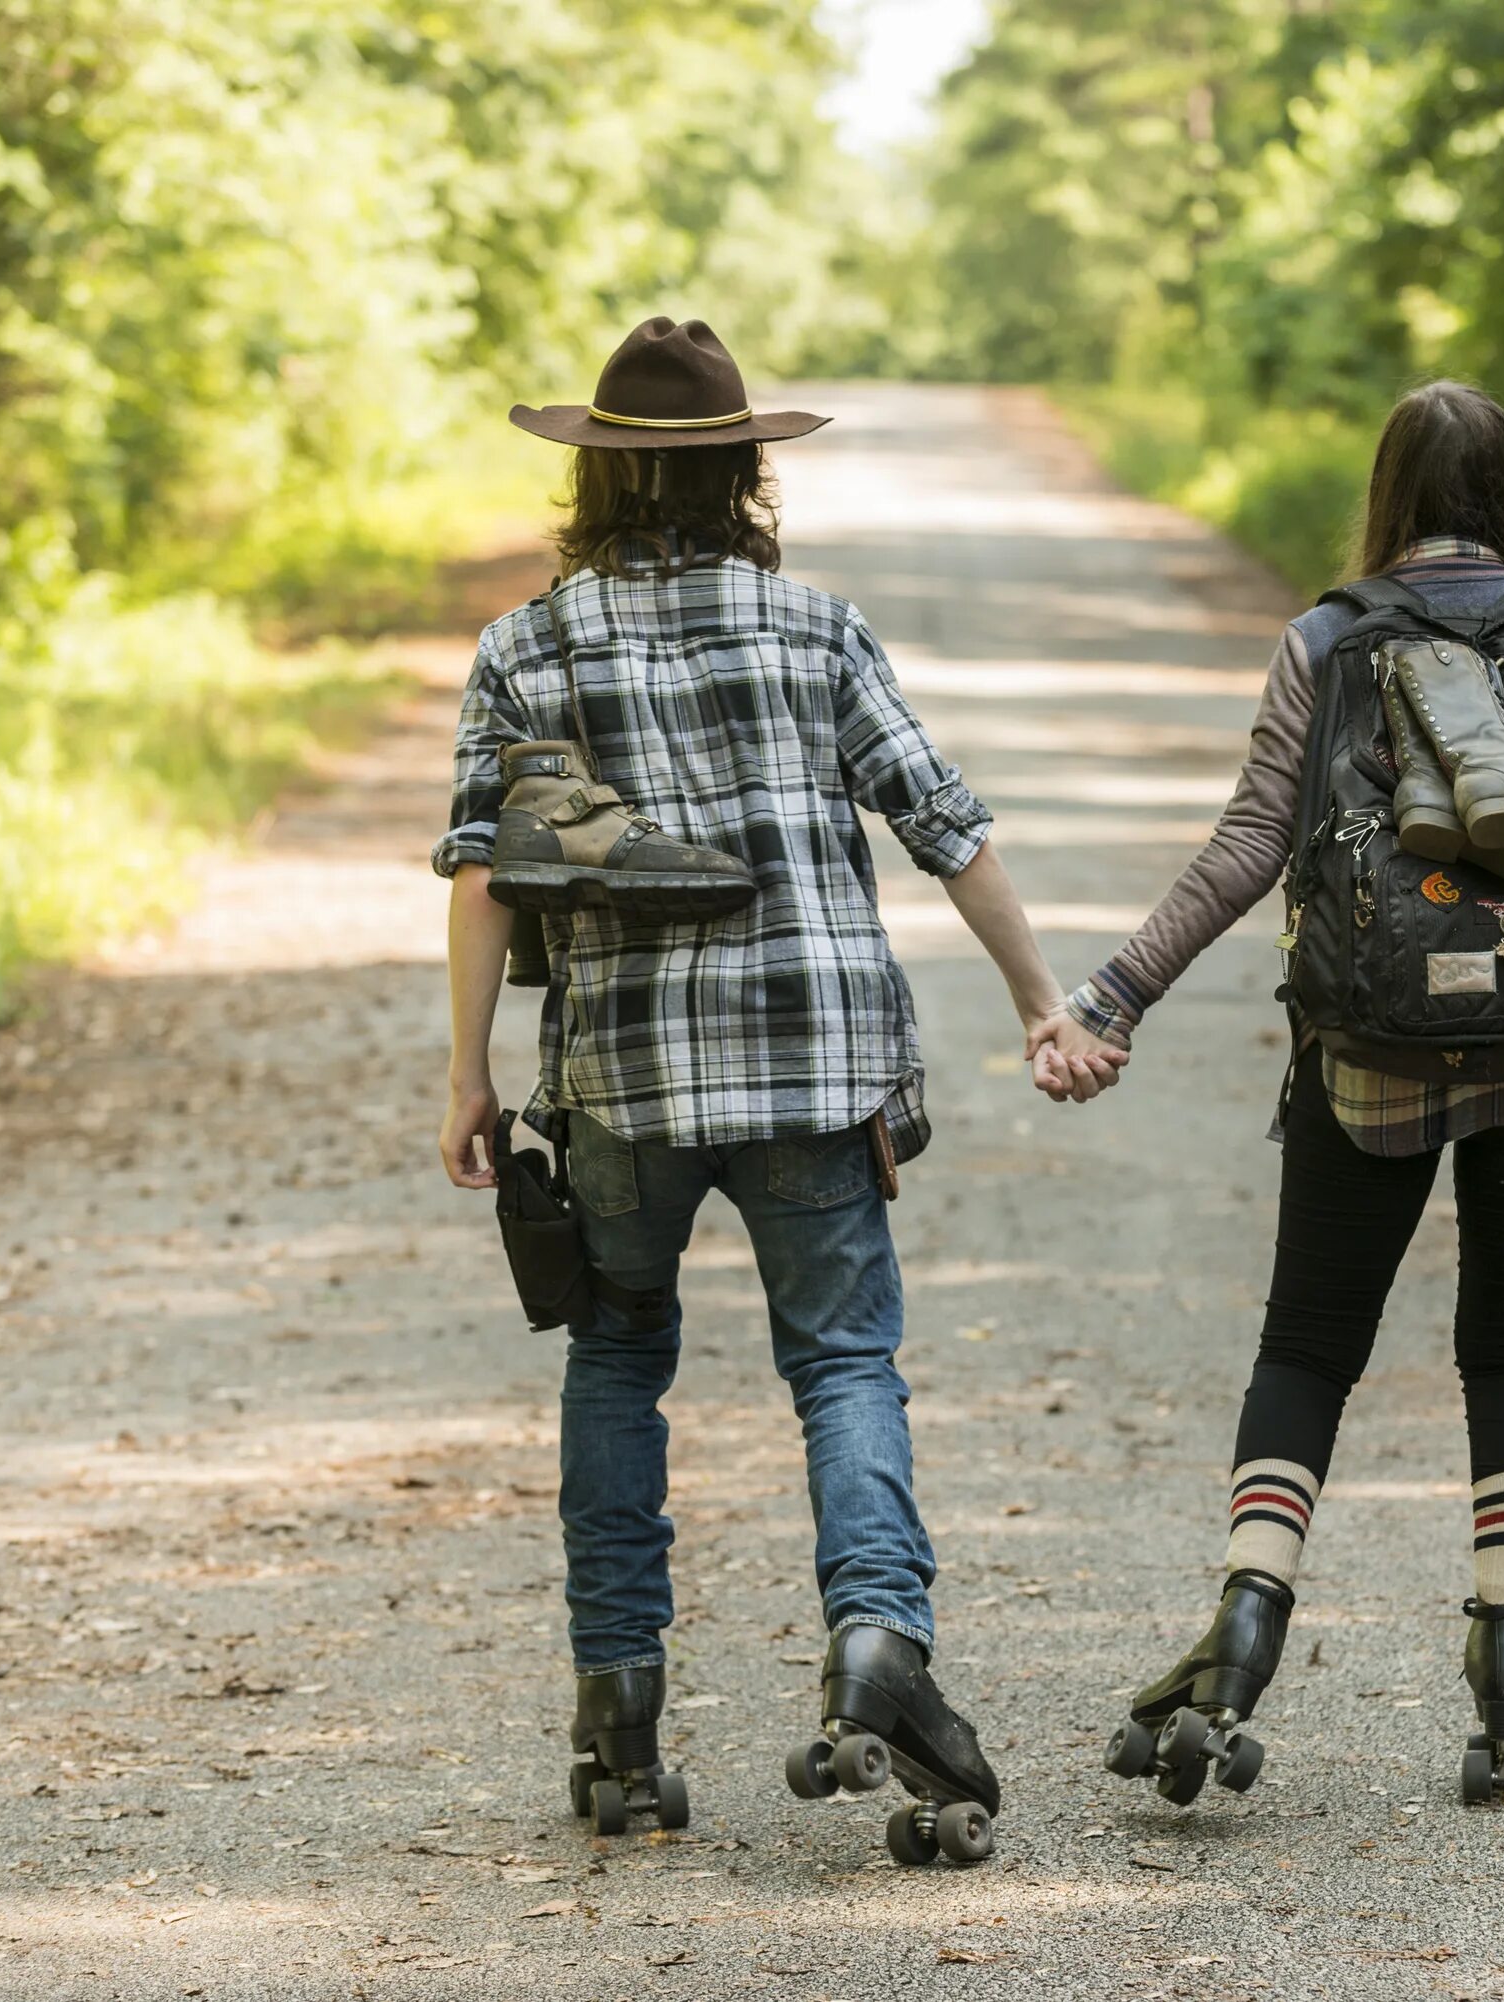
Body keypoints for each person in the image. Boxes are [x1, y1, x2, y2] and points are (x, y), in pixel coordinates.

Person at [1032, 379, 1504, 1808]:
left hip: (1364, 1054)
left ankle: (1244, 1630)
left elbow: (1251, 842)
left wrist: (1113, 997)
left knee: (1309, 1346)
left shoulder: (1325, 640)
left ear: (1387, 494)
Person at [433, 317, 1096, 1866]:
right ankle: (878, 1644)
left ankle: (621, 1708)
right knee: (845, 1363)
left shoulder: (530, 645)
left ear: (593, 473)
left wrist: (466, 1071)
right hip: (813, 1062)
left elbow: (481, 873)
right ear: (744, 471)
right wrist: (1039, 999)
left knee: (615, 1365)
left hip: (621, 1073)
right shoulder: (816, 629)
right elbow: (945, 822)